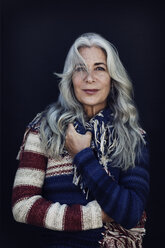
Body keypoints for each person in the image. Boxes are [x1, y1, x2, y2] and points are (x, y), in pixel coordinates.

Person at [12, 33, 149, 248]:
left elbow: (131, 212)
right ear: (70, 78)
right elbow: (23, 205)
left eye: (99, 68)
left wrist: (83, 156)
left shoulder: (132, 136)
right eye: (80, 68)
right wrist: (97, 215)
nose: (89, 78)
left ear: (112, 78)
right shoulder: (43, 128)